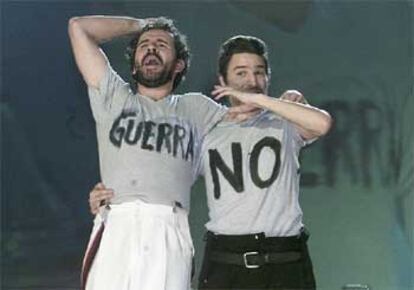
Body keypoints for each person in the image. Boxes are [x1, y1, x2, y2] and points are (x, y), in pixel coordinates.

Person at [89, 35, 332, 289]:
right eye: (241, 73)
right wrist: (111, 195)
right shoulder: (208, 130)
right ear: (224, 82)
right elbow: (162, 174)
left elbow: (323, 124)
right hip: (225, 261)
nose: (251, 81)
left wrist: (262, 101)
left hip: (284, 260)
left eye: (259, 73)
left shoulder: (284, 122)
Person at [68, 15, 229, 290]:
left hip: (168, 226)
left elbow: (247, 129)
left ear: (179, 64)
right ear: (133, 64)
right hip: (117, 221)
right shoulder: (114, 98)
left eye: (162, 44)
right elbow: (78, 28)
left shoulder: (196, 109)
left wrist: (292, 103)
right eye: (144, 45)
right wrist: (141, 26)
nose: (151, 48)